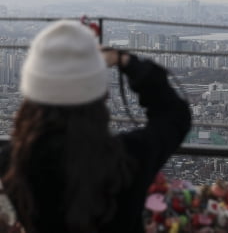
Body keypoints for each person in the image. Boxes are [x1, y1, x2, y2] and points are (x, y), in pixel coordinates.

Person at [0, 20, 191, 233]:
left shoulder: (14, 163)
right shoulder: (129, 159)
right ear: (101, 98)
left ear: (30, 99)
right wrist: (125, 61)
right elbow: (174, 115)